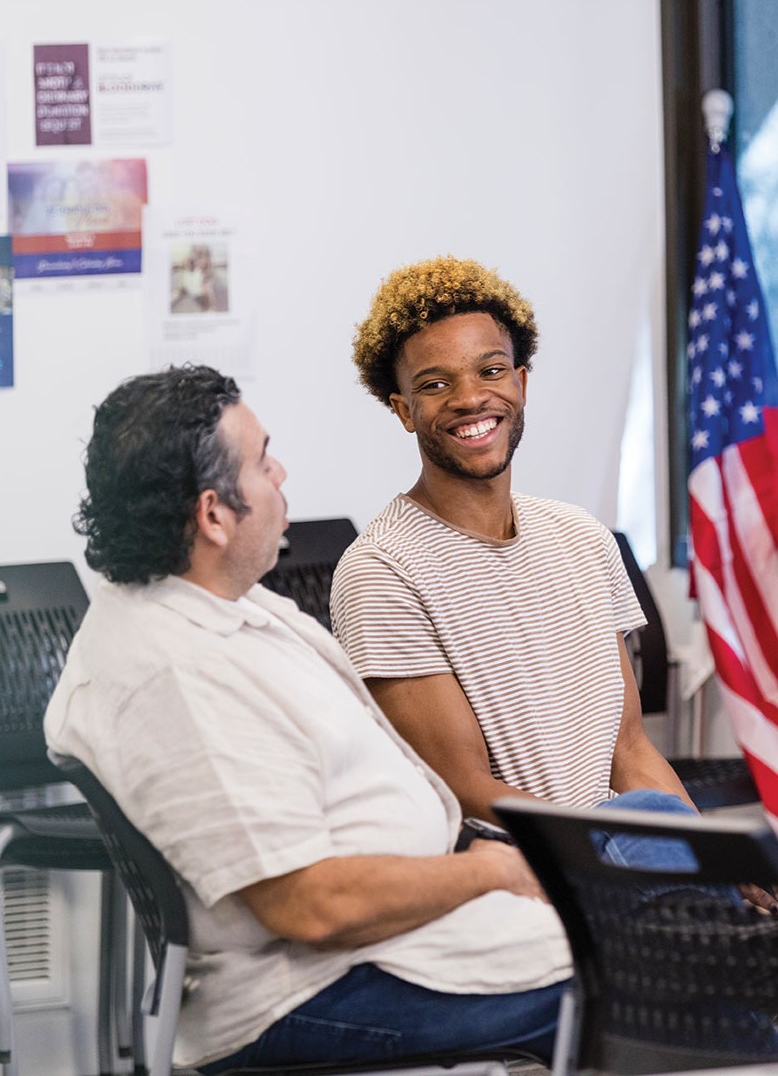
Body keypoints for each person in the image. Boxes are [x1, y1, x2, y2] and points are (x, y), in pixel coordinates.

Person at [44, 365, 573, 1072]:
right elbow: (308, 906)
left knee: (658, 843)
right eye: (263, 461)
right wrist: (489, 874)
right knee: (662, 969)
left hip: (397, 936)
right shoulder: (173, 675)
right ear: (213, 514)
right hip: (315, 992)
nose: (282, 472)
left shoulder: (217, 605)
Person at [330, 255, 697, 821]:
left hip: (616, 862)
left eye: (492, 370)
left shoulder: (582, 538)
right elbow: (462, 789)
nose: (471, 397)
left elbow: (628, 749)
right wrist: (612, 852)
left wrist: (706, 858)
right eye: (435, 383)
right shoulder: (382, 571)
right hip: (520, 880)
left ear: (521, 383)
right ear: (404, 409)